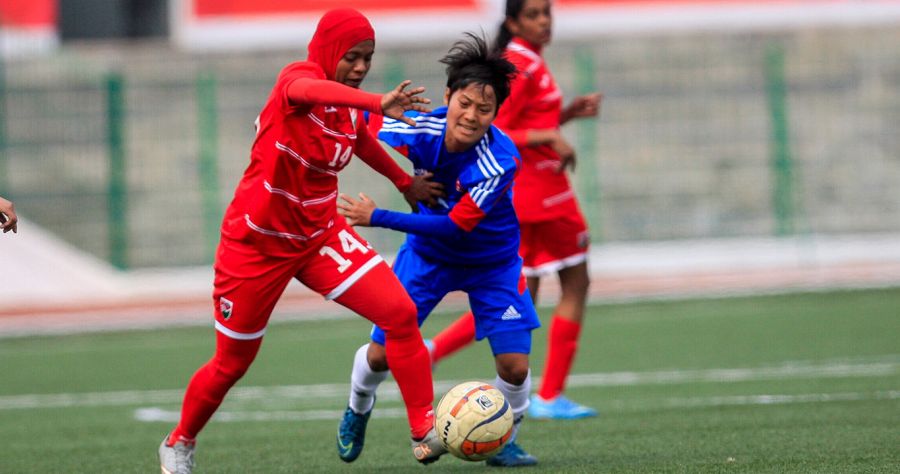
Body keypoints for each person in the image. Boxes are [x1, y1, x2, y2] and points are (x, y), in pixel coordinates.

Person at [157, 8, 447, 474]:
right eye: (351, 56)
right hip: (256, 245)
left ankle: (423, 430)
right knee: (232, 363)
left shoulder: (349, 104)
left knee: (400, 313)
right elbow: (305, 91)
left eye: (367, 58)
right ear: (329, 50)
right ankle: (178, 442)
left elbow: (359, 141)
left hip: (318, 237)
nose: (359, 67)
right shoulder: (299, 77)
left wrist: (403, 182)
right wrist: (376, 102)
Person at [335, 33, 541, 468]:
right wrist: (404, 181)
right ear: (449, 96)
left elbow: (454, 226)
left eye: (484, 110)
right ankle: (358, 406)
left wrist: (381, 217)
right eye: (465, 103)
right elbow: (362, 124)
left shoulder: (500, 160)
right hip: (427, 258)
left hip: (493, 263)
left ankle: (504, 440)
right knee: (380, 354)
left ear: (495, 113)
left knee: (516, 368)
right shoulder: (419, 125)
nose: (471, 116)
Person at [428, 0, 602, 420]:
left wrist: (564, 116)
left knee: (517, 296)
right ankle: (549, 395)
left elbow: (521, 123)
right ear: (512, 21)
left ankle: (432, 351)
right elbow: (495, 130)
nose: (544, 21)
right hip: (537, 191)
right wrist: (549, 133)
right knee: (567, 284)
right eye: (534, 14)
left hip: (530, 190)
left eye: (548, 13)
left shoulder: (524, 61)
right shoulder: (519, 64)